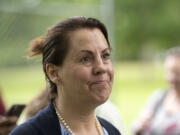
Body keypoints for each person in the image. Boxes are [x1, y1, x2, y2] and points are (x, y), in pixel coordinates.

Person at [10, 16, 121, 135]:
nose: (101, 67)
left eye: (105, 56)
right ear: (54, 73)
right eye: (85, 59)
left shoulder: (111, 131)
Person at [132, 46, 180, 135]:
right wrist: (141, 125)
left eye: (177, 73)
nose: (171, 78)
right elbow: (135, 128)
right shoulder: (159, 97)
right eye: (168, 71)